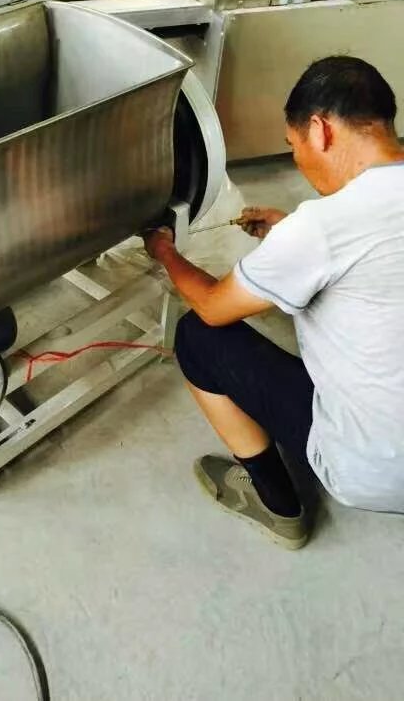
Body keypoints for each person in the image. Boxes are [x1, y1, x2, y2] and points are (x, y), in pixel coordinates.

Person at [144, 56, 404, 549]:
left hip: (376, 471)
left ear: (320, 130)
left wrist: (165, 252)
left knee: (196, 336)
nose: (298, 160)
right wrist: (288, 234)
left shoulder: (321, 228)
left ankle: (277, 505)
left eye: (293, 145)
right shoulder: (322, 230)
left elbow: (213, 305)